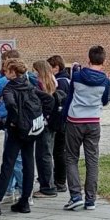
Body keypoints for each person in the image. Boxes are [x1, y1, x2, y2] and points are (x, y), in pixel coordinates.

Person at [0, 58, 48, 216]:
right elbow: (49, 99)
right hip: (31, 129)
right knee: (28, 164)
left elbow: (11, 104)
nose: (4, 73)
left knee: (8, 165)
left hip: (16, 130)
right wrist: (43, 116)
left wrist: (14, 121)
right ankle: (24, 201)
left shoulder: (9, 88)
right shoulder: (29, 85)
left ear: (12, 72)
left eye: (6, 70)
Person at [63, 45, 110, 211]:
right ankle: (91, 199)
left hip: (75, 120)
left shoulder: (77, 76)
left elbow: (70, 96)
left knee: (71, 157)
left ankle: (76, 196)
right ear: (104, 61)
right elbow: (105, 101)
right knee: (92, 160)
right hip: (93, 122)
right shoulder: (105, 80)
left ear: (89, 59)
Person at [31, 60, 64, 196]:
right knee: (46, 153)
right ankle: (47, 182)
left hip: (44, 123)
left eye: (35, 70)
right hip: (51, 123)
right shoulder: (52, 81)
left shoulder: (41, 84)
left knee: (43, 154)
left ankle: (47, 187)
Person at [48, 55, 72, 195]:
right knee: (59, 151)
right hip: (65, 120)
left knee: (59, 152)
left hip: (60, 121)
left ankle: (60, 181)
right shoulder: (66, 79)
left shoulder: (60, 82)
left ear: (56, 68)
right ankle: (59, 178)